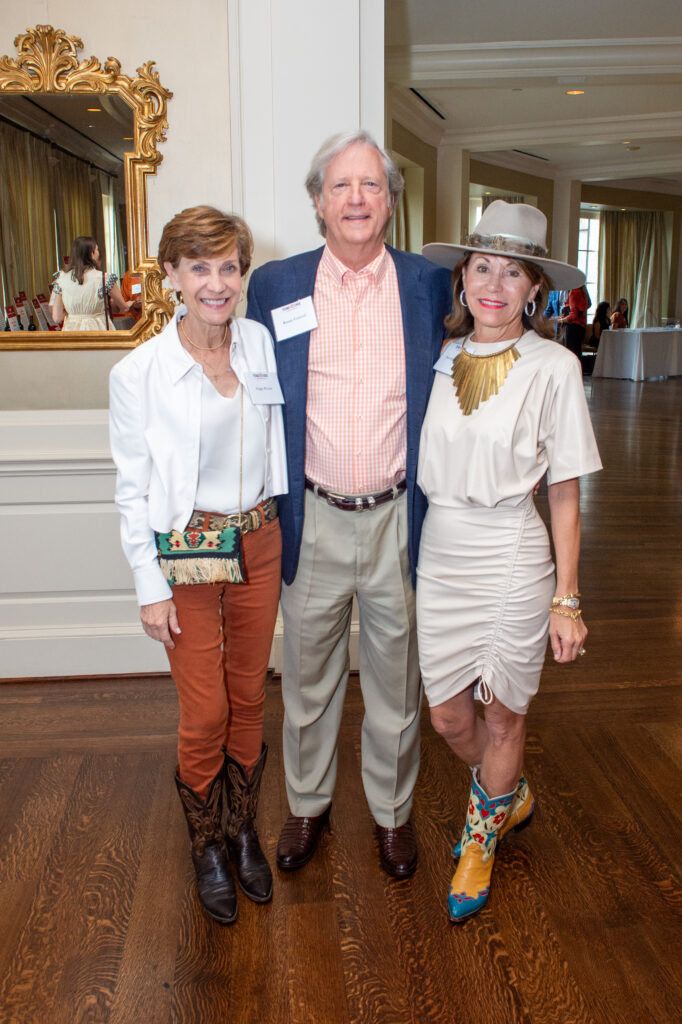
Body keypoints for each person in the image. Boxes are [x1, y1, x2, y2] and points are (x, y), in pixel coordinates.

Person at [246, 130, 452, 879]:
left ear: (391, 202)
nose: (357, 199)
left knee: (399, 679)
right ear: (317, 201)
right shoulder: (276, 286)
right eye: (342, 186)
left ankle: (393, 816)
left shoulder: (430, 285)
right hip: (313, 513)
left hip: (401, 513)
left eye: (372, 186)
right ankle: (307, 806)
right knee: (305, 679)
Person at [418, 201, 602, 922]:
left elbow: (564, 494)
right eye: (483, 266)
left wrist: (569, 598)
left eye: (514, 271)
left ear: (535, 289)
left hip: (510, 553)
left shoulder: (553, 367)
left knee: (502, 716)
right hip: (442, 551)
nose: (495, 284)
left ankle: (480, 838)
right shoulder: (436, 356)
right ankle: (505, 792)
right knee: (447, 718)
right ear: (463, 279)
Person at [109, 206, 287, 924]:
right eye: (201, 267)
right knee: (205, 706)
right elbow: (131, 487)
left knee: (248, 695)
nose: (218, 283)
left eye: (229, 266)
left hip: (259, 541)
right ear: (173, 276)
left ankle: (242, 828)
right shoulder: (138, 372)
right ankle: (205, 842)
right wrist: (147, 585)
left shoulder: (260, 345)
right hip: (185, 551)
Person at [51, 236, 133, 330]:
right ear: (92, 254)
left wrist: (74, 313)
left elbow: (57, 317)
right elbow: (124, 308)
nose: (98, 253)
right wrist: (131, 303)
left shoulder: (61, 278)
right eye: (97, 250)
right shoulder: (104, 278)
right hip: (98, 329)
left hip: (71, 333)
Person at [560, 284, 591, 358]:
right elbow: (588, 305)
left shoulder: (574, 292)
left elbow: (573, 316)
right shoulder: (584, 293)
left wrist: (561, 320)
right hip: (581, 327)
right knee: (577, 353)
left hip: (572, 328)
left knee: (570, 354)